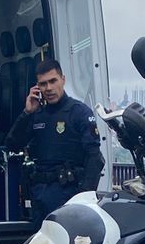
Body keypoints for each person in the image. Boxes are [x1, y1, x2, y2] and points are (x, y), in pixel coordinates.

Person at [6, 59, 104, 228]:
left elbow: (95, 159)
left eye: (53, 81)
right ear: (37, 86)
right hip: (40, 197)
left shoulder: (79, 112)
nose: (49, 88)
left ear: (63, 80)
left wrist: (82, 200)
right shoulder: (36, 114)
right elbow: (12, 144)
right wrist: (27, 113)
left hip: (69, 195)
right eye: (43, 84)